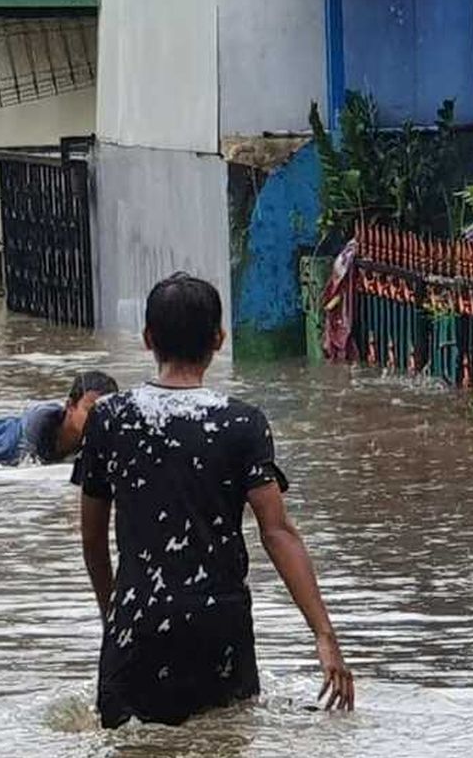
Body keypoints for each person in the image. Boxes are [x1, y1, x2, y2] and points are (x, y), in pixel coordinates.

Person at [78, 273, 353, 727]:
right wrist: (324, 635)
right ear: (219, 339)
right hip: (218, 631)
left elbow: (91, 539)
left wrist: (114, 613)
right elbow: (278, 531)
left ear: (148, 339)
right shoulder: (242, 423)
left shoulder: (109, 419)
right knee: (224, 756)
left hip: (139, 626)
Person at [0, 371, 118, 466]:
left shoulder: (103, 434)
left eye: (107, 412)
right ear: (70, 406)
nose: (100, 419)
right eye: (90, 410)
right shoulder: (40, 420)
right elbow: (26, 468)